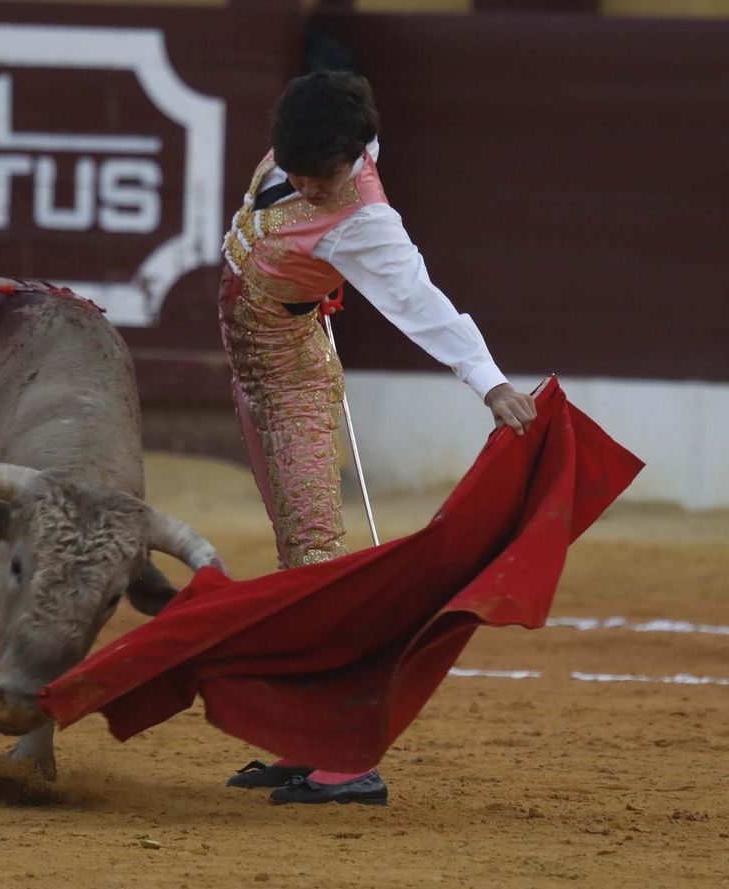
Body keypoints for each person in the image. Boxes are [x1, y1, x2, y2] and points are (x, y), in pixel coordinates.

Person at [216, 70, 537, 805]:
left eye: (319, 176)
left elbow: (421, 302)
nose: (304, 183)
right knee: (298, 561)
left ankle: (349, 753)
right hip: (256, 380)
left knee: (320, 564)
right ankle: (310, 737)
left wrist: (489, 383)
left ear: (355, 156)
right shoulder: (310, 132)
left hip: (292, 383)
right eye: (292, 168)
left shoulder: (365, 221)